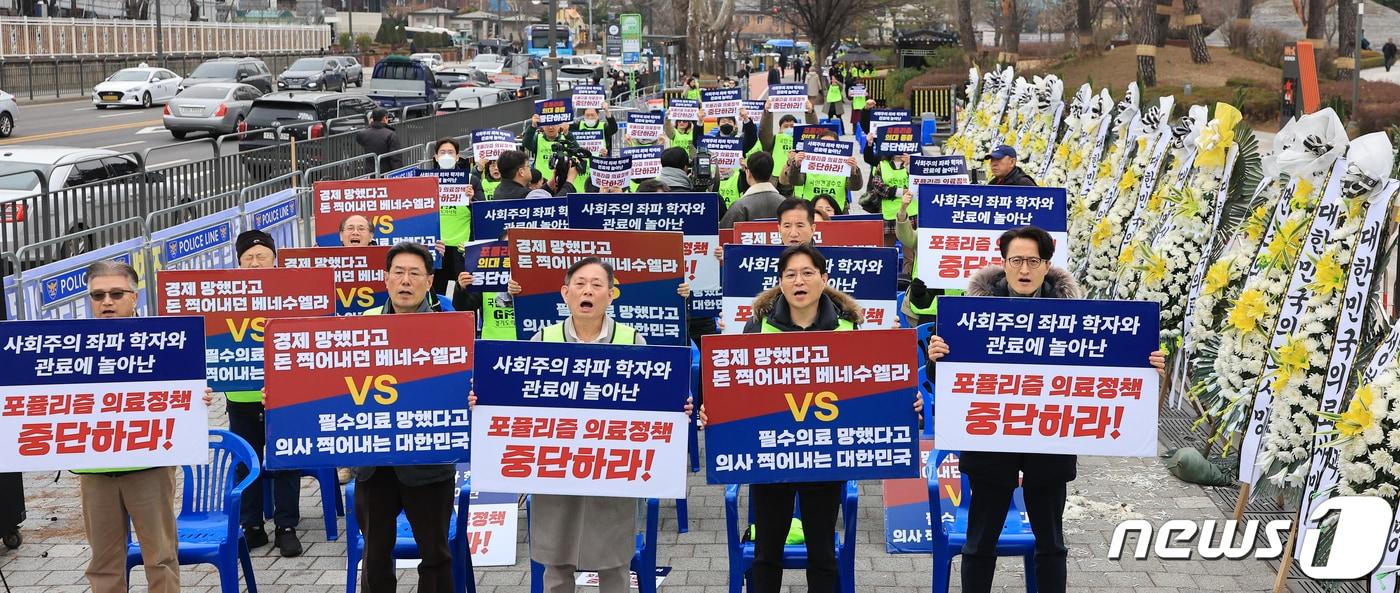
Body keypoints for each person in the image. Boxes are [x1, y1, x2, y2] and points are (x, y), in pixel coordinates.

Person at [923, 226, 1166, 593]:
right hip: (991, 441)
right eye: (1016, 260)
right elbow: (948, 381)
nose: (1024, 269)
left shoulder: (1076, 318)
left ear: (1046, 264)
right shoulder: (969, 315)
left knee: (1051, 543)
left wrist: (1145, 364)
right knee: (979, 542)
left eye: (1032, 261)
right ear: (1003, 264)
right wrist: (936, 359)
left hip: (1049, 441)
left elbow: (1108, 366)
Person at [697, 243, 920, 593]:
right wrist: (717, 412)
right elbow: (738, 390)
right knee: (766, 554)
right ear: (780, 282)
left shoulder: (848, 329)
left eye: (807, 273)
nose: (799, 281)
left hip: (824, 459)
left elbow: (867, 390)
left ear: (823, 278)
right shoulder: (757, 327)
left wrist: (905, 404)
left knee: (823, 554)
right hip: (770, 458)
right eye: (790, 275)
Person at [477, 258, 694, 593]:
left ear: (611, 294)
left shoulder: (632, 340)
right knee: (555, 564)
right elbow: (511, 400)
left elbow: (656, 403)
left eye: (596, 284)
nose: (587, 291)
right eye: (579, 284)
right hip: (555, 469)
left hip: (611, 471)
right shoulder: (542, 340)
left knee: (614, 565)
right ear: (565, 293)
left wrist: (678, 408)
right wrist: (484, 402)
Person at [357, 242, 458, 593]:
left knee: (435, 555)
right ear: (385, 279)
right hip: (375, 461)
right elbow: (331, 381)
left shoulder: (450, 328)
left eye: (414, 274)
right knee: (374, 557)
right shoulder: (362, 325)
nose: (405, 280)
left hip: (429, 461)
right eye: (398, 272)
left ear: (430, 282)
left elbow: (464, 385)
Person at [78, 260, 180, 593]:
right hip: (95, 471)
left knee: (161, 558)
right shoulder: (70, 344)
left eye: (116, 293)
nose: (106, 301)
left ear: (134, 297)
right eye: (98, 295)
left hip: (149, 466)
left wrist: (197, 396)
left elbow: (186, 387)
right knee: (103, 566)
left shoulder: (164, 340)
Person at [780, 129, 864, 211]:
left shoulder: (845, 164)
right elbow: (795, 182)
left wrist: (854, 171)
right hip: (810, 211)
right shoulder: (807, 162)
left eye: (831, 144)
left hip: (838, 212)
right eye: (823, 144)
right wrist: (796, 165)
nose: (827, 147)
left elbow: (855, 187)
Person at [719, 152, 784, 228]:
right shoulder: (784, 203)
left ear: (748, 173)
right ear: (770, 173)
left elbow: (724, 233)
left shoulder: (740, 206)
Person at [523, 113, 571, 182]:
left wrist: (568, 134)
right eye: (547, 124)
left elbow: (576, 148)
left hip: (561, 181)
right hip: (541, 183)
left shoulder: (566, 139)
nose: (550, 127)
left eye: (553, 124)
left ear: (559, 126)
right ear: (542, 126)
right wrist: (533, 127)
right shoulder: (537, 138)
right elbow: (526, 143)